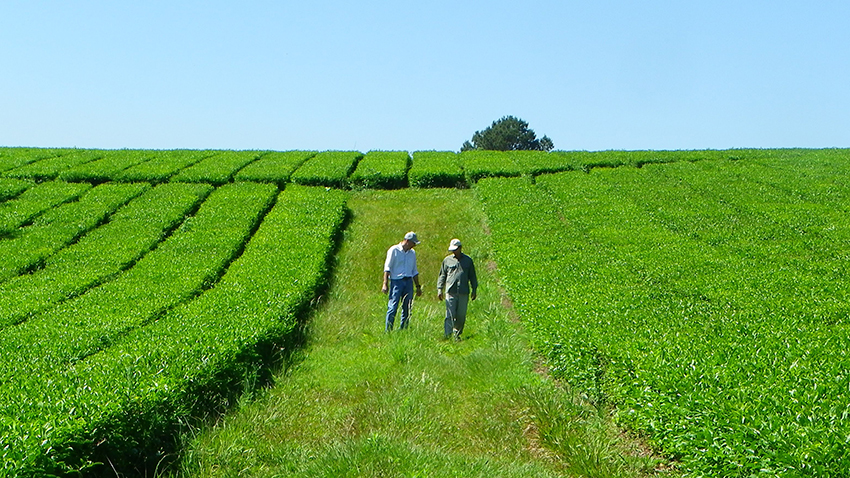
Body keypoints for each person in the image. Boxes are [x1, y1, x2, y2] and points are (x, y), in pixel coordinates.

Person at [437, 238, 477, 340]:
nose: (454, 252)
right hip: (450, 291)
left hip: (463, 292)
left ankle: (457, 334)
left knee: (461, 315)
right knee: (449, 314)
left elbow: (472, 276)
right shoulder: (447, 260)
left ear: (460, 248)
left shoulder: (468, 261)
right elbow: (442, 275)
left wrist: (474, 289)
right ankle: (447, 335)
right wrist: (439, 289)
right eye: (453, 250)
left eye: (456, 249)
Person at [382, 231, 423, 331]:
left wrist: (418, 286)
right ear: (407, 241)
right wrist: (385, 284)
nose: (414, 246)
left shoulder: (412, 253)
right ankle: (388, 330)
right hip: (396, 282)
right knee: (393, 307)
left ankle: (403, 329)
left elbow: (414, 271)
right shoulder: (394, 250)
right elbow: (387, 268)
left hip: (408, 282)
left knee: (407, 307)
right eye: (413, 243)